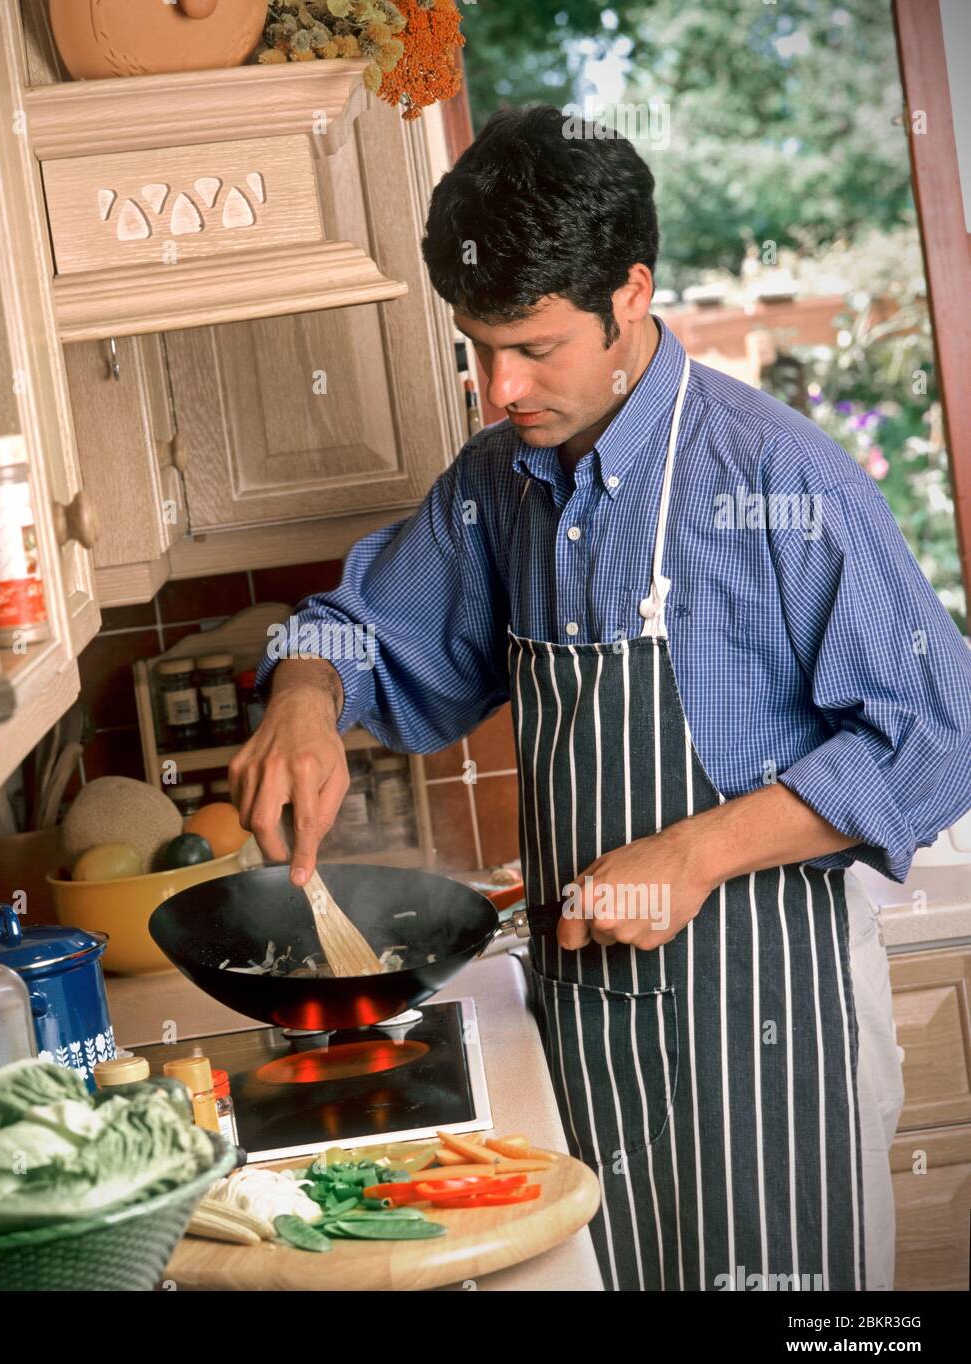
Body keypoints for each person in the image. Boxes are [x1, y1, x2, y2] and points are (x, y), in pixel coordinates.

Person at [228, 105, 971, 1291]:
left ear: (632, 295)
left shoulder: (780, 478)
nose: (495, 388)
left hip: (769, 1037)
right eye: (475, 348)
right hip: (586, 1034)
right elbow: (363, 628)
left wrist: (696, 852)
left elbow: (936, 737)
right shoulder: (500, 482)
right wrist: (307, 696)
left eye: (532, 348)